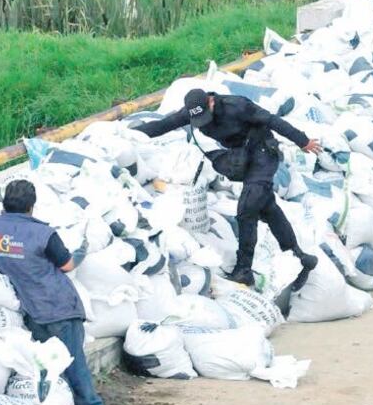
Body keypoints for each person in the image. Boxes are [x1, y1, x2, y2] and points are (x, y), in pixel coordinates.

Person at [134, 89, 322, 290]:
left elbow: (272, 121)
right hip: (243, 158)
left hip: (263, 153)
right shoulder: (191, 112)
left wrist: (303, 141)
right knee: (267, 208)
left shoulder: (237, 106)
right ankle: (300, 258)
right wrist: (130, 133)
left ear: (211, 102)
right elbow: (163, 125)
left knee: (247, 209)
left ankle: (244, 270)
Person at [0, 180, 112, 405]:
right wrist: (83, 250)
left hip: (27, 309)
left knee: (44, 366)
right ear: (31, 206)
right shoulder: (43, 233)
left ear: (4, 202)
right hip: (57, 305)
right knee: (73, 361)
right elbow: (67, 265)